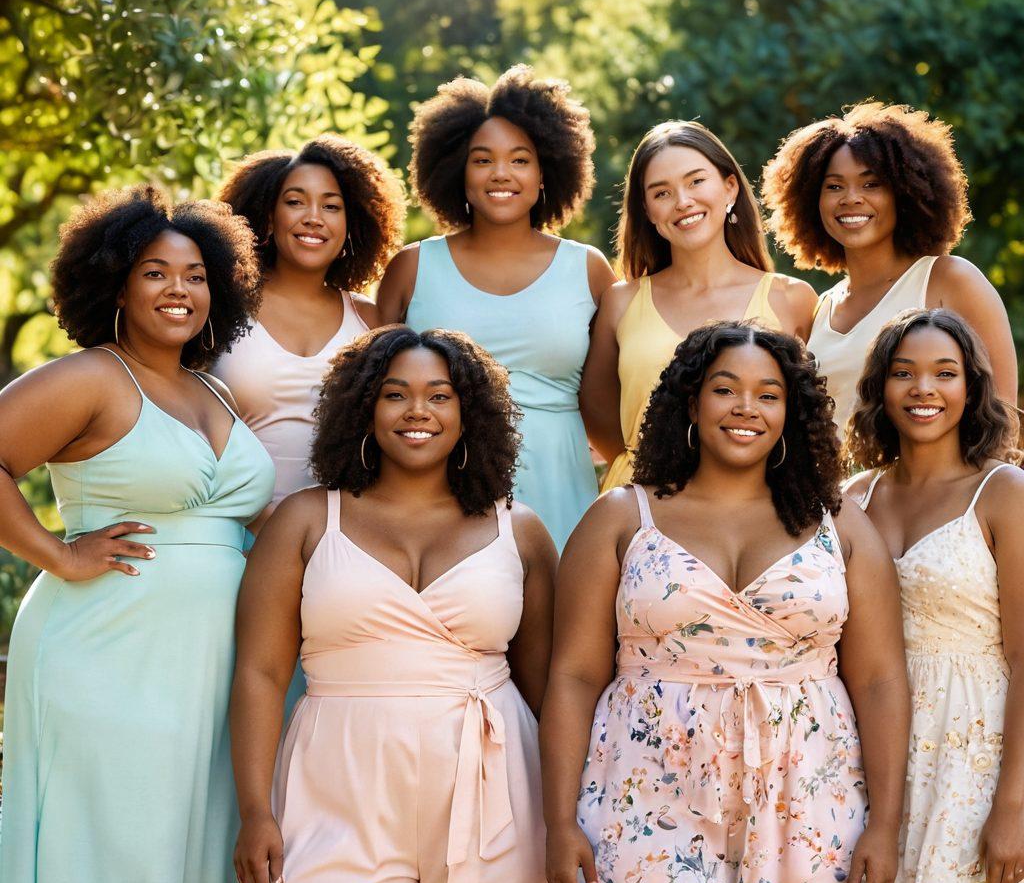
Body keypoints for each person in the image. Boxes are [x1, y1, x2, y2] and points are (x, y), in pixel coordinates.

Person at [543, 321, 910, 883]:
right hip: (647, 786)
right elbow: (574, 676)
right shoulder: (621, 517)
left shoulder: (839, 522)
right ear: (691, 401)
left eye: (769, 394)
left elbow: (878, 679)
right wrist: (559, 822)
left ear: (791, 412)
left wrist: (885, 824)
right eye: (725, 389)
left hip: (809, 789)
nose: (747, 408)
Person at [0, 186, 275, 883]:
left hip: (213, 669)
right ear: (116, 283)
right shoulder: (93, 376)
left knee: (194, 853)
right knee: (119, 851)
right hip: (106, 654)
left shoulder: (212, 388)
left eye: (194, 274)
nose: (179, 289)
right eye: (156, 273)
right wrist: (57, 552)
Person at [230, 326, 560, 883]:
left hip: (494, 785)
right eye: (394, 394)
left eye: (440, 396)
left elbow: (549, 689)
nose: (418, 412)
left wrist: (564, 814)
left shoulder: (522, 531)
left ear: (470, 414)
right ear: (363, 409)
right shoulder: (305, 520)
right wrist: (256, 811)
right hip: (337, 781)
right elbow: (261, 673)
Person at [377, 65, 617, 551]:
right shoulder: (412, 268)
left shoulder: (588, 270)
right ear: (455, 172)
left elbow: (608, 403)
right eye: (482, 160)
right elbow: (374, 398)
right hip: (439, 498)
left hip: (562, 492)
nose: (501, 174)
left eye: (520, 159)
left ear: (547, 169)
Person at [844, 308, 1024, 883]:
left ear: (972, 388)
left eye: (945, 373)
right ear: (879, 389)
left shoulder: (1004, 491)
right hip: (863, 749)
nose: (924, 389)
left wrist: (1014, 804)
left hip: (975, 751)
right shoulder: (849, 499)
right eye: (904, 373)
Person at [581, 120, 817, 491]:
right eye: (661, 193)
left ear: (729, 187)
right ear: (647, 211)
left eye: (695, 181)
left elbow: (809, 422)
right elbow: (600, 419)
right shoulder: (620, 302)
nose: (683, 202)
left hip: (757, 506)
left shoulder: (793, 300)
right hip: (642, 502)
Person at [761, 102, 1016, 439]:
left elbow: (1004, 419)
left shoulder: (949, 280)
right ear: (811, 201)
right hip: (837, 492)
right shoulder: (821, 308)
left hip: (932, 490)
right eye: (834, 186)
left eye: (871, 185)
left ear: (906, 192)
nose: (851, 198)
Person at [214, 133, 406, 521]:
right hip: (230, 529)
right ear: (269, 216)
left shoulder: (370, 322)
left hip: (339, 537)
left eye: (331, 206)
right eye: (295, 201)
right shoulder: (221, 307)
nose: (313, 217)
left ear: (352, 224)